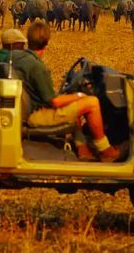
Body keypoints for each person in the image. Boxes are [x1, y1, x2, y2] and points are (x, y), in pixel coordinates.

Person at [13, 21, 121, 163]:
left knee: (72, 104)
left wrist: (71, 98)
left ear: (28, 39)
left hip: (29, 111)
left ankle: (83, 149)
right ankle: (105, 150)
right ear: (46, 43)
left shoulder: (21, 58)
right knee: (92, 103)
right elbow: (54, 101)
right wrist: (79, 95)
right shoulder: (37, 68)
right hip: (36, 115)